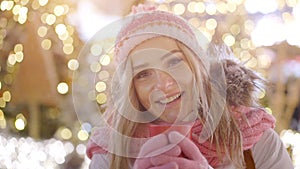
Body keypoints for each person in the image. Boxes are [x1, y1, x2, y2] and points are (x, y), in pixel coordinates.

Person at [85, 4, 294, 169]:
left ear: (197, 66)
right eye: (144, 74)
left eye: (174, 62)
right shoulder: (111, 153)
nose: (163, 84)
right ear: (132, 88)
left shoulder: (252, 135)